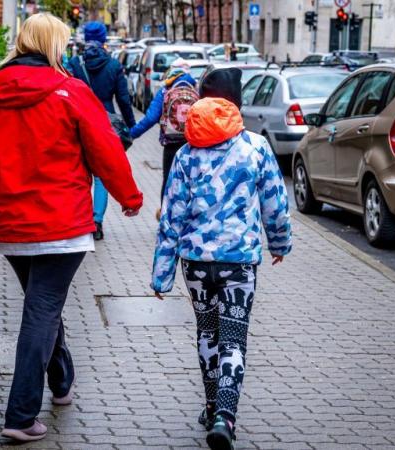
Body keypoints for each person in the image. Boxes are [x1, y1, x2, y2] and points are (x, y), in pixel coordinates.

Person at [0, 13, 143, 443]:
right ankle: (20, 416)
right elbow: (105, 149)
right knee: (42, 310)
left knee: (43, 305)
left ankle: (61, 382)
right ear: (54, 44)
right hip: (63, 223)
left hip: (14, 227)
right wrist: (129, 197)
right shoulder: (71, 92)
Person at [151, 68, 292, 450]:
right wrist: (279, 243)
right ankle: (224, 417)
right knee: (234, 338)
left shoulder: (185, 154)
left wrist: (161, 274)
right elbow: (276, 205)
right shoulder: (256, 147)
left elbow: (171, 216)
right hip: (240, 261)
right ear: (237, 102)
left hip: (195, 263)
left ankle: (212, 403)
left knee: (207, 331)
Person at [66, 21, 136, 241]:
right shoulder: (114, 65)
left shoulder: (75, 63)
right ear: (104, 39)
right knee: (101, 175)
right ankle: (96, 221)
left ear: (86, 38)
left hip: (77, 121)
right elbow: (124, 100)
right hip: (105, 124)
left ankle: (78, 218)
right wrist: (131, 126)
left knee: (78, 171)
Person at [129, 58, 197, 213]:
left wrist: (131, 135)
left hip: (171, 143)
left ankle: (165, 217)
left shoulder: (166, 90)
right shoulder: (195, 89)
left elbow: (151, 118)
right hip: (193, 143)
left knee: (168, 181)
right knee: (191, 181)